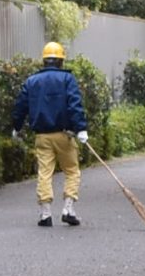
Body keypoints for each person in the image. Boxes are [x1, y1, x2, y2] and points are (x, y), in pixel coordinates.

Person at [11, 42, 89, 228]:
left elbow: (21, 106)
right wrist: (81, 128)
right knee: (72, 171)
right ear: (61, 61)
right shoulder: (67, 79)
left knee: (44, 173)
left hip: (42, 136)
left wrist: (17, 126)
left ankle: (45, 214)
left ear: (44, 61)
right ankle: (68, 209)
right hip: (65, 135)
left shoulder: (31, 81)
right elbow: (74, 104)